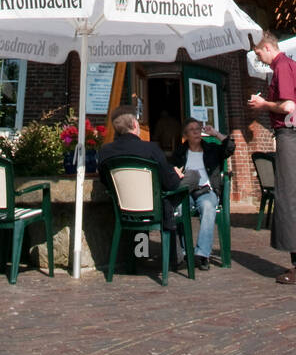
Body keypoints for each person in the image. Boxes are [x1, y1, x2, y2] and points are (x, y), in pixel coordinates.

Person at [249, 32, 296, 286]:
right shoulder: (286, 66)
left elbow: (288, 106)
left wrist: (263, 104)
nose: (259, 59)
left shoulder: (281, 67)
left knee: (292, 200)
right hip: (294, 136)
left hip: (291, 135)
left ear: (267, 47)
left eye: (259, 54)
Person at [98, 105, 195, 264]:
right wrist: (175, 174)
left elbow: (105, 181)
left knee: (157, 199)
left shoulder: (105, 151)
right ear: (135, 125)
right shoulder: (150, 149)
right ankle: (173, 255)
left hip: (125, 208)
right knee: (191, 177)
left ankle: (140, 255)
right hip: (153, 206)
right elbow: (170, 184)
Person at [170, 119, 235, 270]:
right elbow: (171, 169)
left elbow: (230, 146)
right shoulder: (180, 152)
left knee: (207, 206)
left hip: (206, 190)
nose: (196, 132)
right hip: (186, 191)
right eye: (191, 129)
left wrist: (215, 133)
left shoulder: (212, 149)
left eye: (198, 129)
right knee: (179, 208)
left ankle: (202, 254)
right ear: (185, 135)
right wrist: (175, 172)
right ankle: (185, 252)